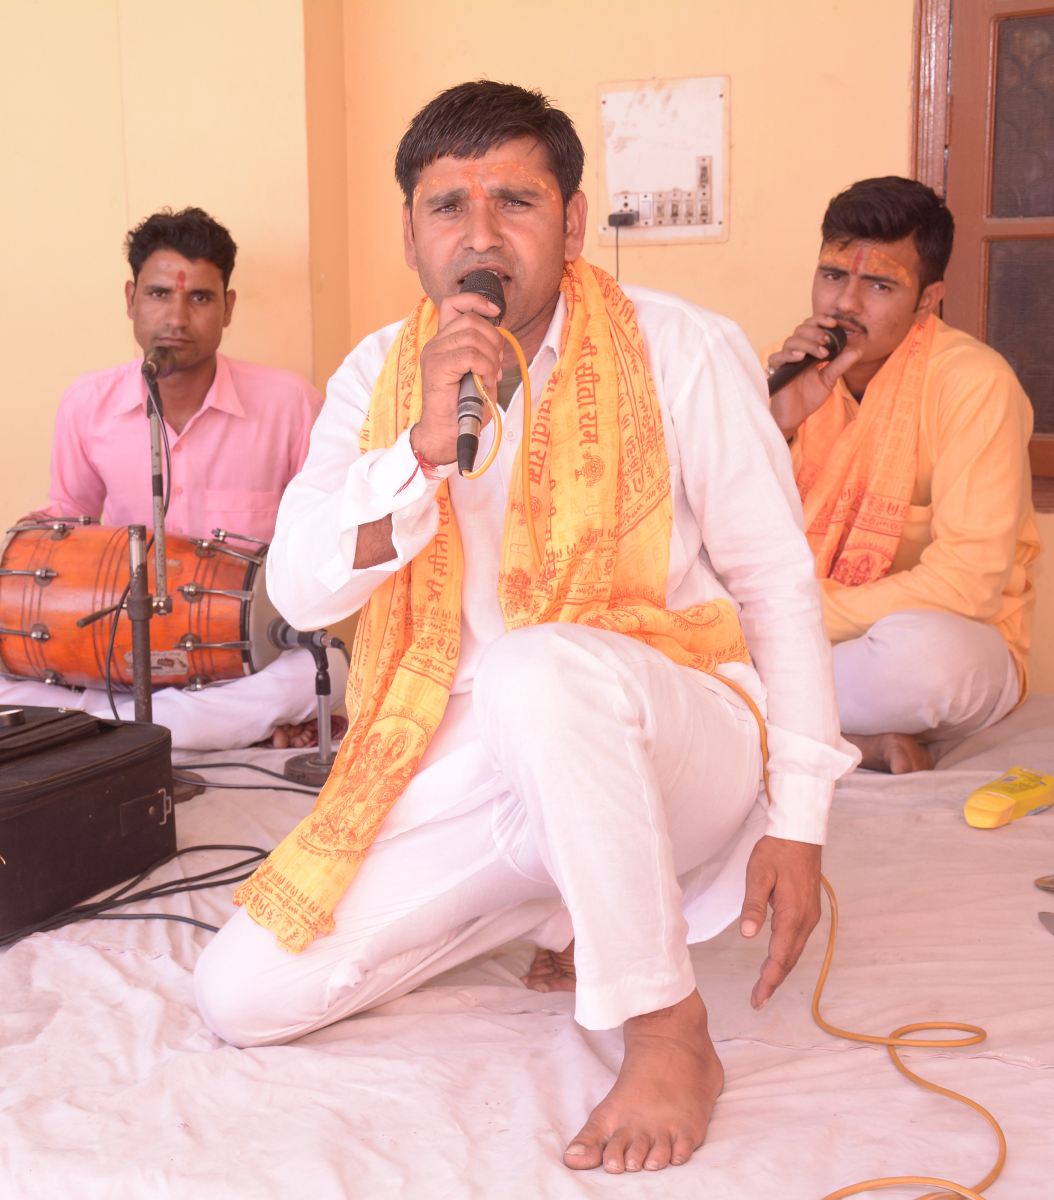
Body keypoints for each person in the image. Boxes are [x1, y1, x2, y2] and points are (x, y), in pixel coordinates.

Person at [192, 81, 856, 1175]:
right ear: (411, 233)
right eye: (447, 206)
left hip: (671, 736)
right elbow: (303, 594)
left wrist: (802, 818)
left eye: (515, 201)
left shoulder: (683, 347)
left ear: (574, 221)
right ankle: (569, 898)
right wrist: (415, 452)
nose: (481, 235)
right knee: (245, 995)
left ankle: (666, 1029)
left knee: (532, 671)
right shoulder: (376, 378)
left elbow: (778, 584)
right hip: (471, 755)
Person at [0, 208, 334, 751]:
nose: (177, 318)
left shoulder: (290, 404)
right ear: (130, 299)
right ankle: (175, 727)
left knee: (321, 673)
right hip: (115, 655)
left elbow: (324, 544)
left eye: (200, 297)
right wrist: (29, 541)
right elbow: (69, 522)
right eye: (159, 294)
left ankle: (105, 729)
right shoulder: (88, 403)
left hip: (237, 658)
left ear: (228, 307)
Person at [765, 177, 1041, 774]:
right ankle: (855, 742)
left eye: (880, 285)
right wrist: (777, 424)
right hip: (797, 641)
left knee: (930, 661)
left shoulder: (974, 385)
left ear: (927, 299)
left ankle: (751, 719)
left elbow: (966, 587)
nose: (845, 304)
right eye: (833, 275)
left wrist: (795, 617)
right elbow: (723, 539)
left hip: (918, 647)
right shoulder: (787, 373)